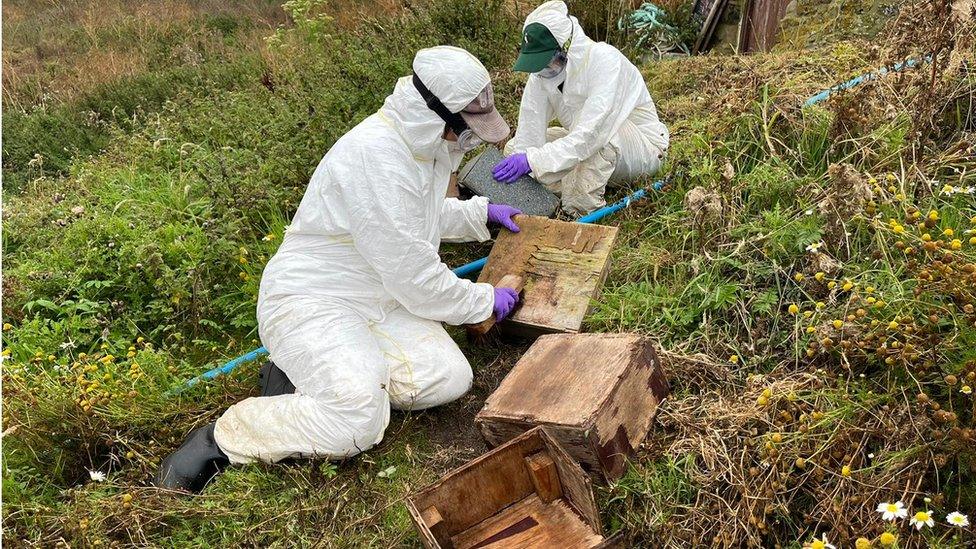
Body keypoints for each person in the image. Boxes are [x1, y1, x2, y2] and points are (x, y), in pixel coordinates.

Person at [155, 46, 522, 492]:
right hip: (314, 299)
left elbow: (415, 217)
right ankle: (223, 438)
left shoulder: (423, 146)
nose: (468, 138)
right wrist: (484, 299)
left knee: (449, 378)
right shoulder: (377, 158)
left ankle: (322, 374)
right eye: (465, 127)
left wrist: (478, 215)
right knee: (357, 424)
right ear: (435, 112)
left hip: (379, 299)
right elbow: (417, 279)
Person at [492, 0, 669, 216]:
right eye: (539, 65)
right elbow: (529, 133)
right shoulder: (541, 75)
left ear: (568, 47)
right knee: (514, 150)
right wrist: (525, 163)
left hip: (644, 148)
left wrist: (535, 161)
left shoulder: (606, 61)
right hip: (586, 140)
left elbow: (592, 133)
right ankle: (555, 194)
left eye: (550, 62)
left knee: (599, 141)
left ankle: (578, 211)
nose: (545, 71)